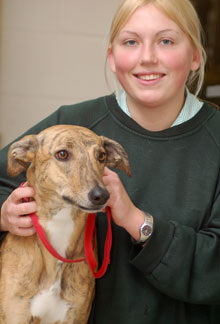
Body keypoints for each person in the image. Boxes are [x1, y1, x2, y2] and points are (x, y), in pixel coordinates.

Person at [0, 0, 220, 322]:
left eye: (166, 41)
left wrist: (138, 222)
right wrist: (3, 215)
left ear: (196, 56)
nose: (147, 57)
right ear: (112, 58)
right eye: (131, 41)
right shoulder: (69, 126)